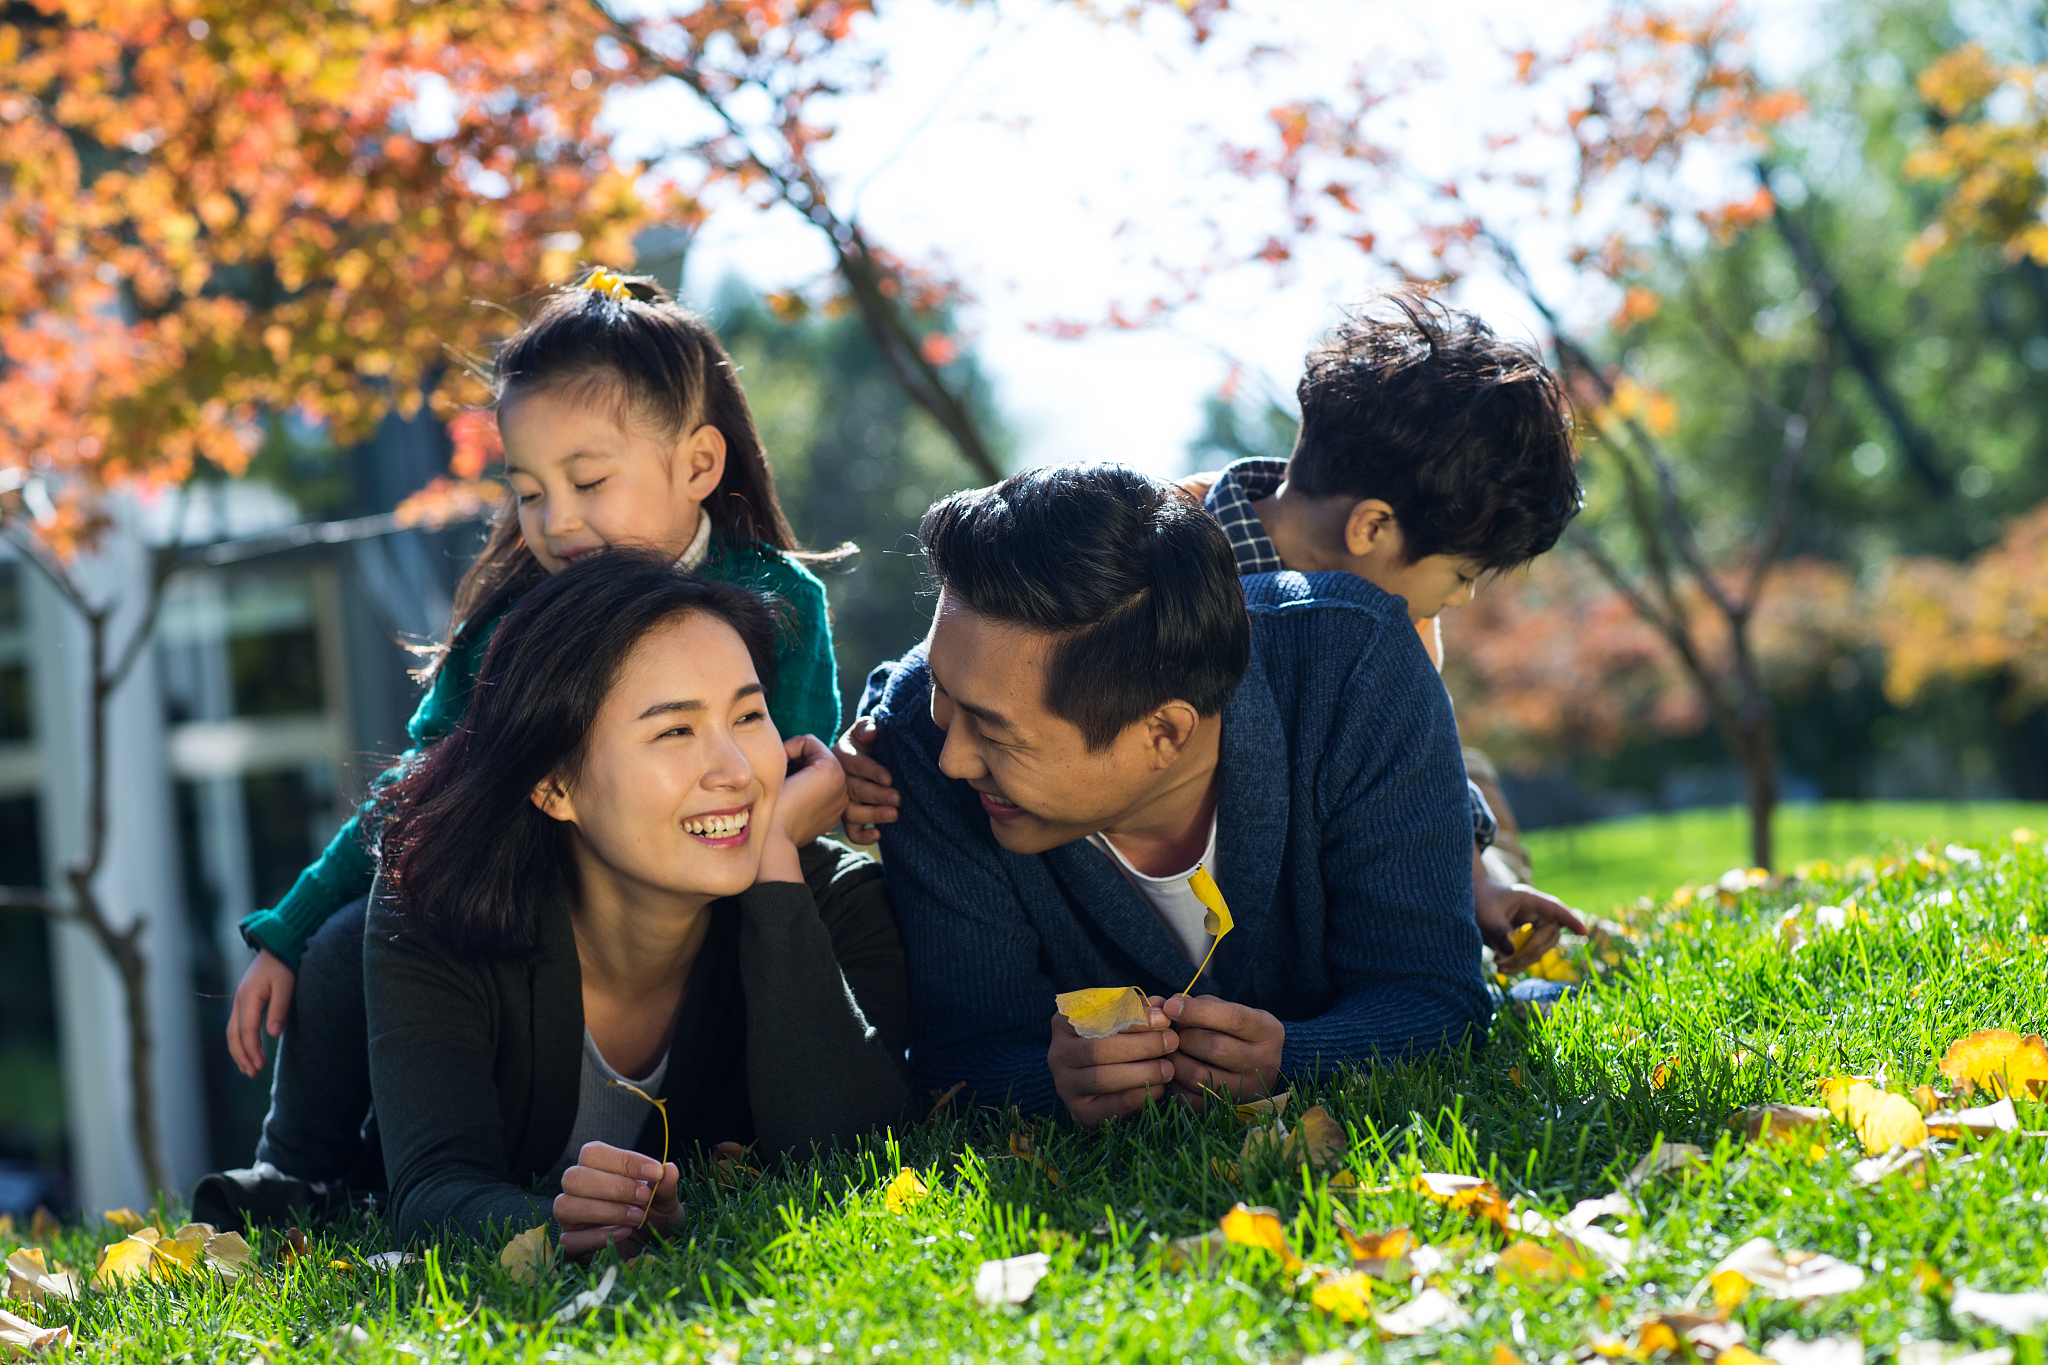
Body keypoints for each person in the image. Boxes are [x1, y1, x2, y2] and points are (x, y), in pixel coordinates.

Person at [198, 268, 845, 1225]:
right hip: (529, 919)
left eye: (588, 482)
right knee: (341, 946)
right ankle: (295, 1174)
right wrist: (288, 929)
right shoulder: (513, 626)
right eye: (530, 492)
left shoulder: (781, 603)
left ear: (700, 465)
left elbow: (787, 767)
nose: (556, 522)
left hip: (701, 905)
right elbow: (418, 787)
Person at [849, 463, 1492, 1127]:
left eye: (995, 731)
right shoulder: (912, 740)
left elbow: (1434, 996)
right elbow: (957, 1057)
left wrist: (1297, 1056)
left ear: (1164, 732)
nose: (953, 757)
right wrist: (1049, 1082)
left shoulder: (1359, 668)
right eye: (942, 695)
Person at [358, 553, 906, 1251]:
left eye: (748, 715)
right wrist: (554, 1229)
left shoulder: (839, 905)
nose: (736, 771)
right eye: (675, 730)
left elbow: (852, 1164)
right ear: (553, 784)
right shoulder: (435, 902)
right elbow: (432, 1185)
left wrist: (774, 869)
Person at [1190, 294, 1588, 968]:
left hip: (1358, 832)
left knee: (1464, 765)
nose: (1462, 599)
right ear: (1371, 527)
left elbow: (1422, 770)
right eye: (1463, 573)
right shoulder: (1173, 568)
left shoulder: (1406, 621)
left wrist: (1478, 881)